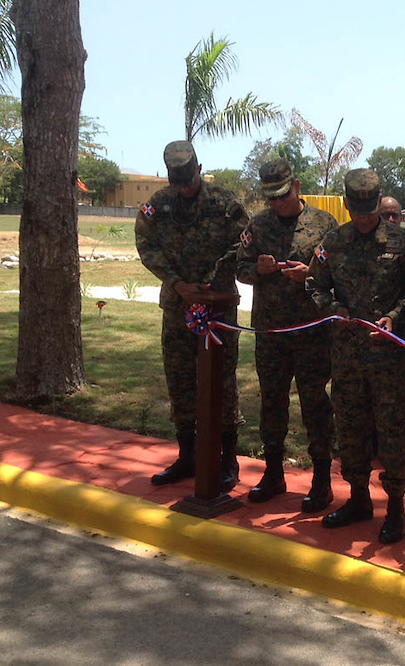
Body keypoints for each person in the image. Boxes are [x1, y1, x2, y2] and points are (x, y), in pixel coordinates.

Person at [306, 169, 405, 544]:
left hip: (388, 358)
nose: (363, 217)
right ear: (346, 205)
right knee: (351, 427)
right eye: (356, 210)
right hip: (346, 355)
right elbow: (314, 283)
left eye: (369, 210)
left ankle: (395, 508)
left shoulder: (402, 243)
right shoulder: (332, 241)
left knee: (391, 431)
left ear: (379, 203)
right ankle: (358, 499)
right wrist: (333, 308)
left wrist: (396, 316)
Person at [135, 140, 248, 492]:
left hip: (218, 310)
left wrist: (215, 276)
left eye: (189, 181)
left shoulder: (224, 204)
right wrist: (176, 282)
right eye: (177, 183)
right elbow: (144, 243)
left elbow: (245, 240)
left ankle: (227, 461)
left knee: (222, 384)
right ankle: (188, 456)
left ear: (199, 169)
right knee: (181, 382)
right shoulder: (158, 205)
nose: (184, 189)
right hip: (178, 308)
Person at [235, 159, 339, 511]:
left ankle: (322, 480)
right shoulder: (258, 224)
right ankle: (273, 472)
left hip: (311, 332)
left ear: (296, 185)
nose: (277, 203)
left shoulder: (324, 224)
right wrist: (258, 270)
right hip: (272, 331)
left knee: (314, 403)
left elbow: (339, 273)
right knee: (272, 402)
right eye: (271, 197)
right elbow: (240, 267)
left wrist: (310, 274)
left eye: (282, 195)